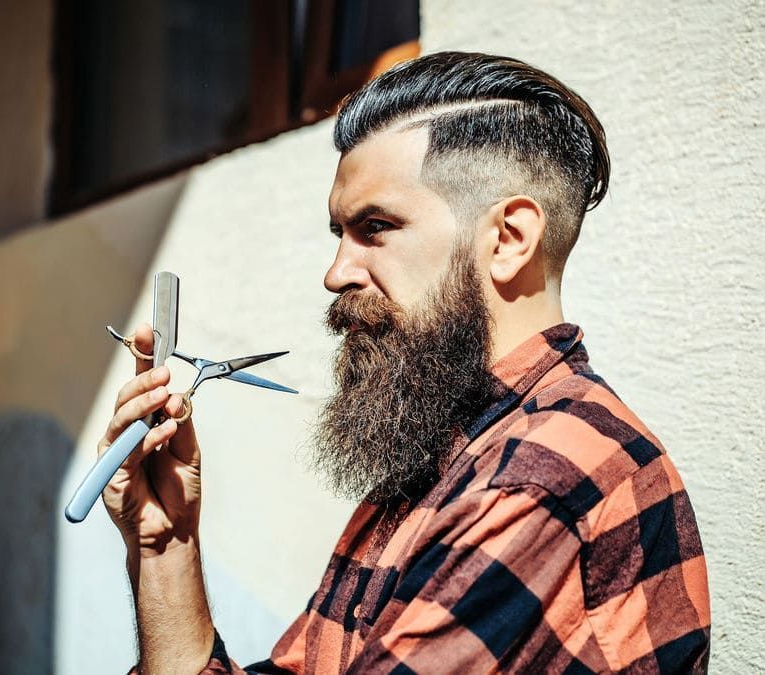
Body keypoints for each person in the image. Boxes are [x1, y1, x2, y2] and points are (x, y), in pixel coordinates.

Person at [100, 52, 710, 674]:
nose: (336, 273)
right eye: (338, 233)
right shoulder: (445, 457)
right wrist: (164, 548)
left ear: (507, 239)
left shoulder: (537, 480)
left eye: (375, 227)